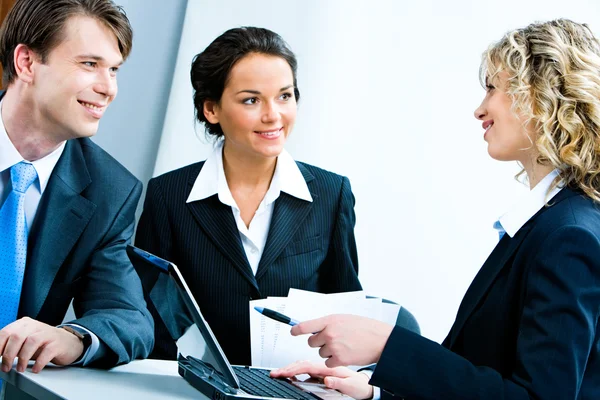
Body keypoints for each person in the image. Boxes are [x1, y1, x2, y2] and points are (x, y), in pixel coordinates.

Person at [271, 19, 600, 399]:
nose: (480, 109)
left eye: (492, 87)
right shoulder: (553, 223)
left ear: (541, 97)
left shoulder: (568, 235)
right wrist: (375, 390)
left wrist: (387, 345)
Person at [135, 26, 362, 365]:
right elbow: (148, 313)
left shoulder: (332, 193)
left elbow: (345, 315)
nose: (273, 115)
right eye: (251, 100)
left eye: (284, 96)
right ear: (211, 109)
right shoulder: (168, 196)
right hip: (196, 384)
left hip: (297, 386)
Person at [0, 0, 153, 375]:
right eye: (89, 64)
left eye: (114, 70)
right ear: (27, 63)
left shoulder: (110, 190)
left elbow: (130, 317)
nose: (108, 88)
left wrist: (74, 337)